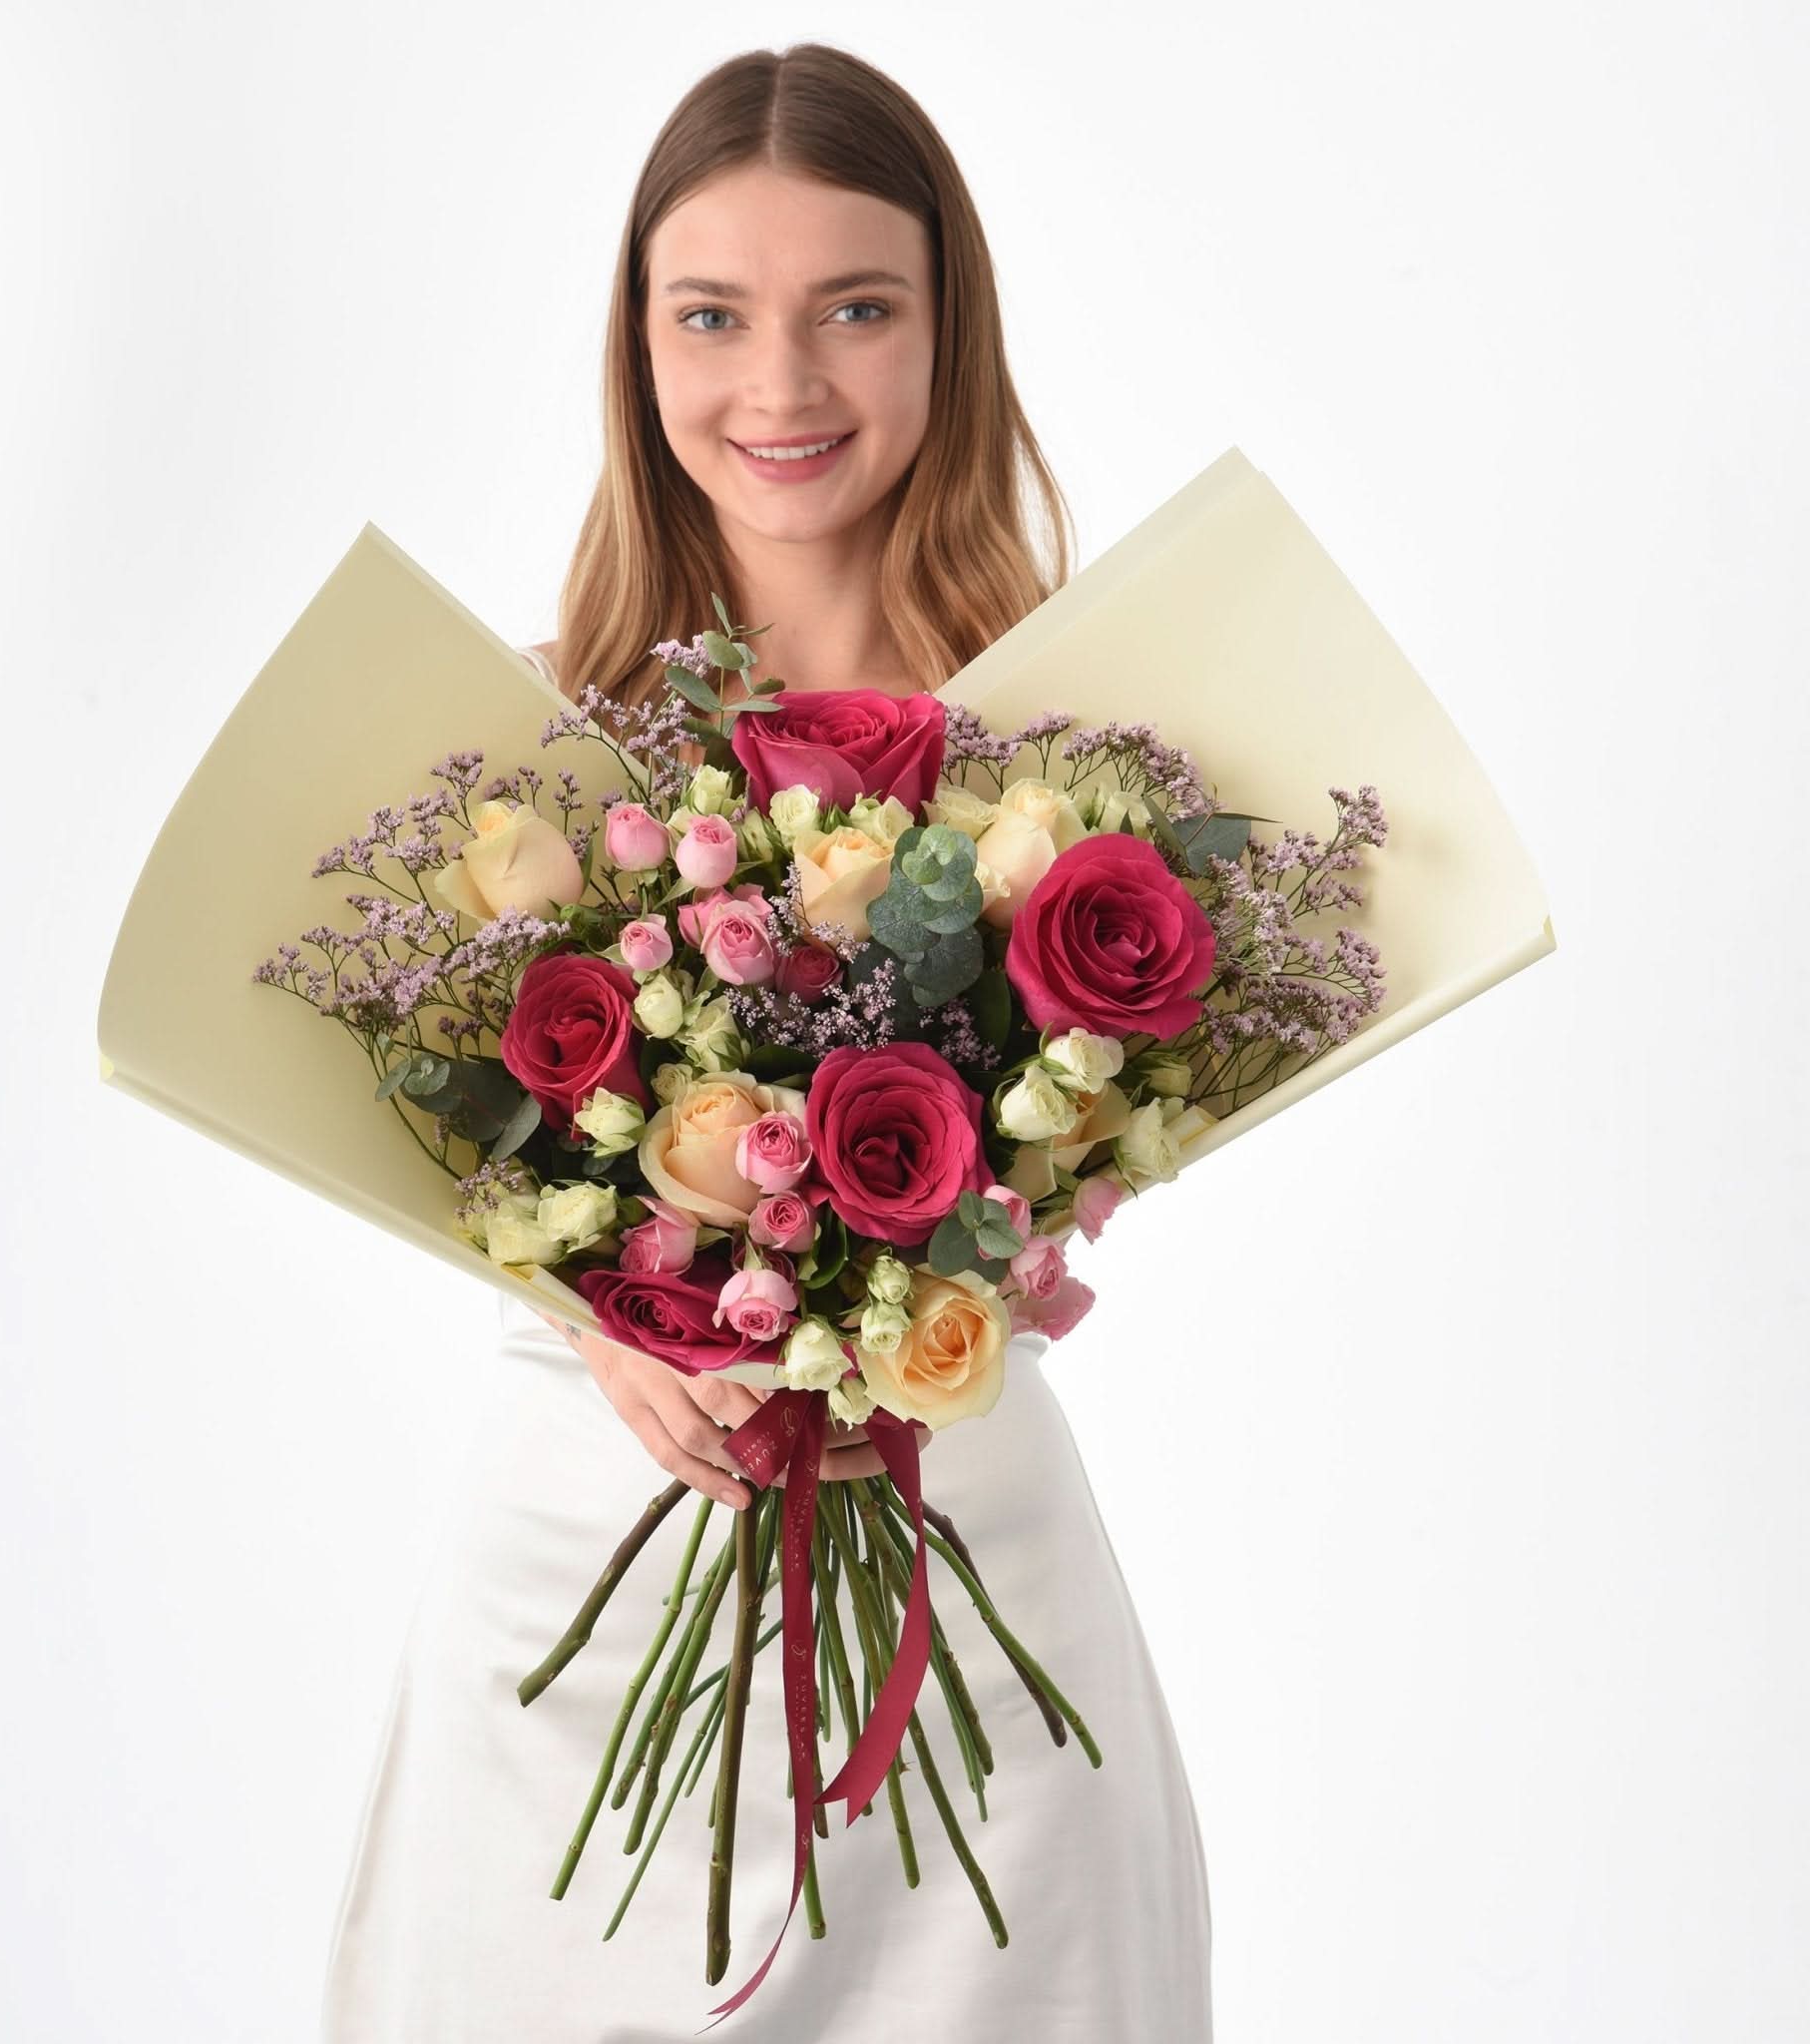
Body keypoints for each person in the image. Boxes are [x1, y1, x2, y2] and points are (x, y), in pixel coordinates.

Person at [320, 43, 1213, 2041]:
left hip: (969, 1585)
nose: (780, 387)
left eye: (856, 310)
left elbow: (1100, 1150)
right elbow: (440, 1142)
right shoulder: (517, 778)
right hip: (580, 1575)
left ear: (944, 333)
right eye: (711, 315)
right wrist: (595, 1304)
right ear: (637, 346)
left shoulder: (1080, 765)